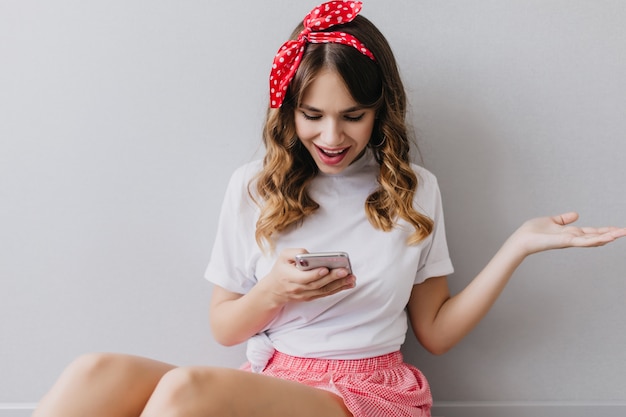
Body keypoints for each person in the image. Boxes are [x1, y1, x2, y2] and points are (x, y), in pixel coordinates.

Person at [32, 2, 626, 417]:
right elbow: (223, 327)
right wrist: (273, 293)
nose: (332, 137)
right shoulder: (253, 186)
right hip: (274, 377)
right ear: (288, 112)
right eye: (312, 116)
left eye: (352, 116)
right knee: (94, 372)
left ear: (379, 112)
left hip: (366, 393)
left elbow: (436, 333)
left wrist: (519, 243)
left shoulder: (415, 189)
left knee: (185, 392)